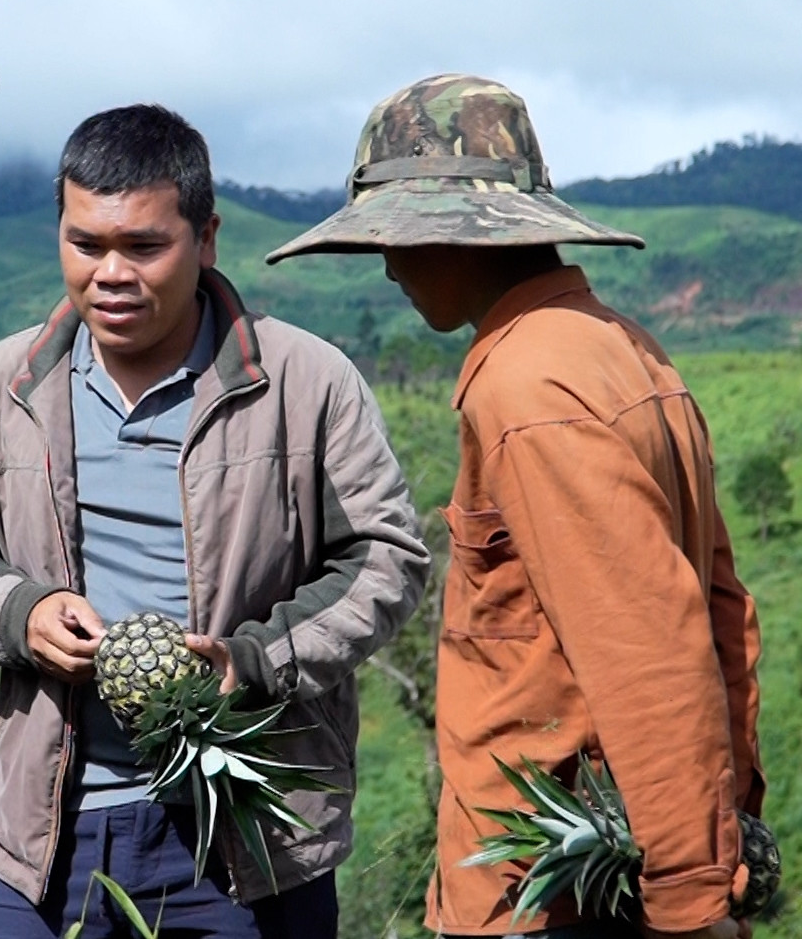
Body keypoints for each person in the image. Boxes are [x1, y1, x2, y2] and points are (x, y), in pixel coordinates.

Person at [0, 104, 429, 939]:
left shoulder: (304, 382)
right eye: (86, 243)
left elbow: (388, 558)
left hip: (250, 838)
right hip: (47, 833)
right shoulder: (6, 387)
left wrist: (255, 659)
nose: (111, 272)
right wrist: (22, 612)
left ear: (206, 237)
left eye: (144, 246)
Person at [267, 75, 767, 939]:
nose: (387, 265)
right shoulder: (621, 349)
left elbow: (647, 645)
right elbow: (721, 613)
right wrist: (729, 830)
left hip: (552, 893)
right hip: (600, 865)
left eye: (398, 240)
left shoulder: (528, 385)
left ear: (457, 236)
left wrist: (688, 892)